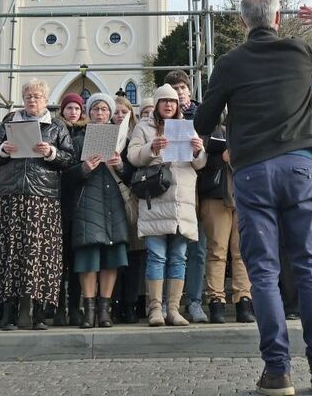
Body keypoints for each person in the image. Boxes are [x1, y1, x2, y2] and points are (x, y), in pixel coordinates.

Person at [195, 0, 312, 396]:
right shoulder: (298, 52)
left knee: (263, 271)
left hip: (253, 170)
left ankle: (278, 372)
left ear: (244, 23)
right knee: (310, 267)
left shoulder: (229, 63)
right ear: (277, 19)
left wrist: (235, 108)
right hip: (299, 166)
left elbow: (204, 120)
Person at [0, 79, 75, 330]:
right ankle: (8, 312)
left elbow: (70, 158)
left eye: (37, 96)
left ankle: (38, 314)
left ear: (46, 100)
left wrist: (51, 153)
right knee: (11, 253)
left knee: (39, 255)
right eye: (28, 97)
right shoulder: (9, 121)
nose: (32, 100)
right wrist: (3, 149)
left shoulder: (56, 126)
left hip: (42, 198)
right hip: (11, 196)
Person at [127, 83, 206, 327]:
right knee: (156, 256)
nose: (169, 105)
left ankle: (173, 309)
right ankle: (155, 309)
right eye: (164, 101)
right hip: (155, 199)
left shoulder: (187, 127)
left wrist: (198, 151)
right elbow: (132, 156)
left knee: (179, 257)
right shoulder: (143, 127)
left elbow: (199, 165)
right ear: (158, 105)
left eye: (173, 101)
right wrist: (152, 148)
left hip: (182, 200)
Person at [65, 92, 130, 328]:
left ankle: (104, 311)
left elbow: (131, 173)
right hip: (88, 201)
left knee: (112, 256)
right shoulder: (79, 139)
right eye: (96, 109)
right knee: (88, 255)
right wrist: (84, 168)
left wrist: (120, 165)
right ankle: (89, 310)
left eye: (104, 109)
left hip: (112, 200)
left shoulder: (121, 139)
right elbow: (66, 173)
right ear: (89, 113)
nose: (100, 113)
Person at [197, 122, 253, 324]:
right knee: (217, 251)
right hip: (216, 194)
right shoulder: (209, 127)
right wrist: (220, 158)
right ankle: (216, 301)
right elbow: (198, 161)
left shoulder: (247, 124)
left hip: (244, 194)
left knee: (242, 251)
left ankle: (244, 300)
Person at [165, 69, 209, 325]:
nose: (179, 94)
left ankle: (194, 301)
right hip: (170, 192)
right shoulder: (161, 118)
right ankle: (169, 304)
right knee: (171, 251)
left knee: (198, 249)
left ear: (189, 90)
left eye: (182, 88)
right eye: (174, 90)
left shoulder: (203, 114)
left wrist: (198, 148)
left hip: (200, 191)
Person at [112, 96, 148, 323]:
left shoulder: (136, 137)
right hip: (110, 200)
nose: (119, 116)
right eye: (115, 112)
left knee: (135, 254)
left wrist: (121, 167)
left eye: (123, 112)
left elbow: (138, 172)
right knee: (115, 256)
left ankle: (131, 304)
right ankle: (115, 305)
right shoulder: (103, 134)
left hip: (132, 200)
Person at [55, 92, 87, 326]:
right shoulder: (55, 131)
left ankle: (75, 307)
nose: (73, 112)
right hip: (58, 201)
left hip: (80, 201)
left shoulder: (87, 134)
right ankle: (57, 307)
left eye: (77, 108)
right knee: (59, 259)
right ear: (62, 111)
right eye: (69, 108)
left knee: (76, 259)